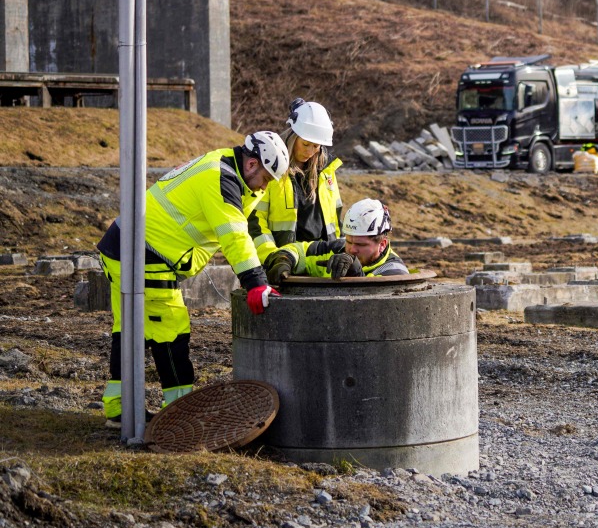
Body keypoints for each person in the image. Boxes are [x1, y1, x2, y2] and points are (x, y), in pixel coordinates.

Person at [96, 131, 290, 427]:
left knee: (131, 328)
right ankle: (177, 413)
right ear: (252, 164)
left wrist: (273, 260)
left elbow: (247, 226)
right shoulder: (222, 181)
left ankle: (119, 408)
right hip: (144, 253)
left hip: (125, 246)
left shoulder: (228, 167)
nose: (266, 186)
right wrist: (256, 282)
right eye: (266, 178)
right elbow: (235, 236)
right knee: (171, 330)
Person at [249, 98, 343, 263]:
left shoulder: (327, 171)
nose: (310, 152)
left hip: (322, 261)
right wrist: (274, 258)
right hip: (283, 261)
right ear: (293, 137)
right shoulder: (271, 167)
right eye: (305, 144)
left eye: (316, 146)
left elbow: (335, 221)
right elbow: (256, 221)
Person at [263, 199, 409, 283]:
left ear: (382, 244)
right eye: (349, 241)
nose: (352, 249)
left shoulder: (395, 271)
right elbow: (299, 250)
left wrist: (354, 274)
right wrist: (283, 260)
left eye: (360, 244)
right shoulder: (337, 249)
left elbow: (370, 305)